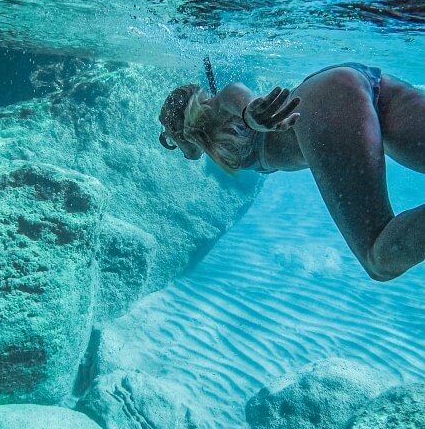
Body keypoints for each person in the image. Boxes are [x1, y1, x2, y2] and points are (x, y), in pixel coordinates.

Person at [158, 63, 425, 282]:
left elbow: (230, 94)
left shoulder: (213, 120)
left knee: (379, 258)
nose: (172, 144)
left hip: (324, 104)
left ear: (182, 129)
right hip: (353, 81)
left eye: (170, 137)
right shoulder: (213, 133)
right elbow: (196, 145)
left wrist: (249, 111)